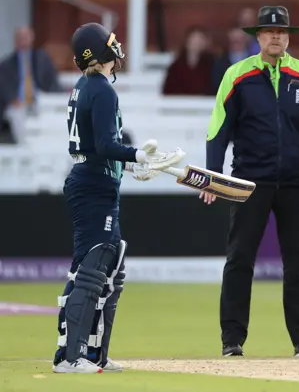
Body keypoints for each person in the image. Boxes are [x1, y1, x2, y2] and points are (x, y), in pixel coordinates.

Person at [202, 6, 299, 357]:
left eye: (281, 31)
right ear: (258, 36)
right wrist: (213, 177)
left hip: (295, 183)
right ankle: (231, 340)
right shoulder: (238, 75)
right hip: (249, 183)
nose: (275, 36)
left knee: (298, 262)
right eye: (268, 31)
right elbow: (218, 130)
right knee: (239, 259)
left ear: (288, 36)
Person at [52, 22, 185, 374]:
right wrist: (138, 155)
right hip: (93, 186)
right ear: (98, 52)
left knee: (111, 271)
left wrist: (128, 167)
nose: (116, 48)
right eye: (109, 44)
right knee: (91, 269)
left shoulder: (85, 86)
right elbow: (104, 146)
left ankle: (95, 354)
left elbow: (95, 148)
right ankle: (69, 357)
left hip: (96, 180)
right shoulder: (101, 89)